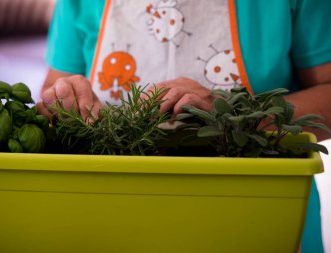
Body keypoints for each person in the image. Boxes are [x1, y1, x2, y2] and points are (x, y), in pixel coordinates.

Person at [37, 0, 331, 252]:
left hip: (258, 218)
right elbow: (54, 89)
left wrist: (235, 115)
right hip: (110, 221)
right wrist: (64, 99)